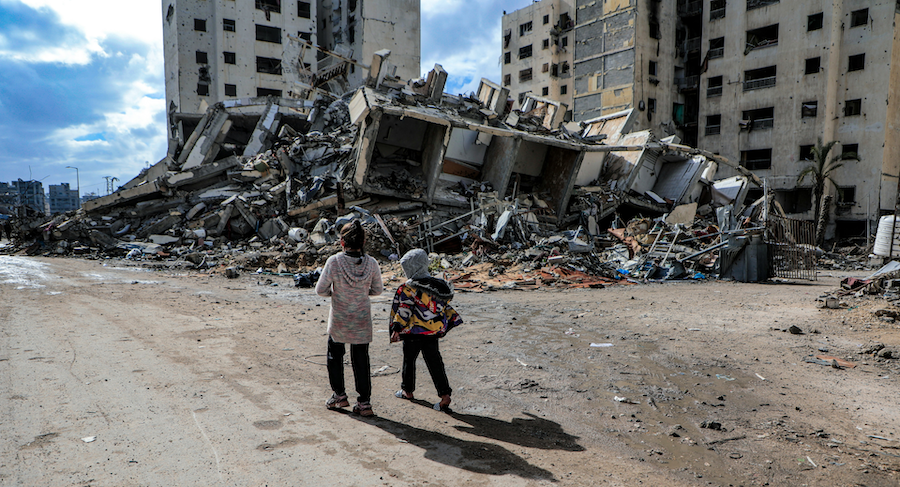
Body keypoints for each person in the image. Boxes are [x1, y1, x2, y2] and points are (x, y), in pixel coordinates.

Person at [315, 220, 383, 417]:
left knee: (334, 356)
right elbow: (378, 290)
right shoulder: (371, 263)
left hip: (340, 319)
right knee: (361, 359)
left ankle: (339, 396)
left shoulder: (334, 262)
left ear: (342, 242)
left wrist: (337, 294)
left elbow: (320, 290)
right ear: (363, 243)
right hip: (361, 319)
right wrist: (361, 292)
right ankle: (364, 403)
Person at [389, 249, 463, 412]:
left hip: (413, 333)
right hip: (432, 333)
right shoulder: (437, 286)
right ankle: (445, 396)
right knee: (435, 362)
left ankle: (407, 391)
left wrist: (397, 328)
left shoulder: (409, 288)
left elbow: (404, 310)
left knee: (409, 361)